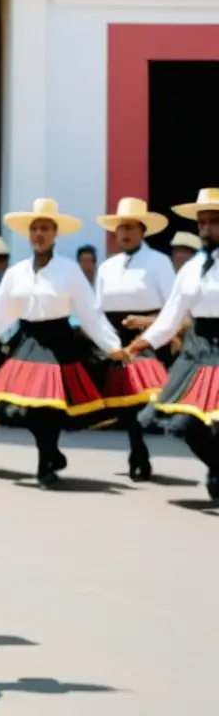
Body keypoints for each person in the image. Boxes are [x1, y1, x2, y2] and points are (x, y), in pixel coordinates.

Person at [0, 199, 127, 488]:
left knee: (48, 406)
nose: (39, 234)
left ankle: (45, 462)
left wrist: (111, 345)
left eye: (45, 228)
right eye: (34, 229)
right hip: (28, 342)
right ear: (28, 234)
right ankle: (51, 451)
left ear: (55, 233)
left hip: (58, 343)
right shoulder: (16, 272)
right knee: (14, 409)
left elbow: (89, 313)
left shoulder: (69, 270)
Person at [131, 188, 219, 497]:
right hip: (196, 350)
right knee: (181, 424)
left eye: (214, 221)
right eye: (203, 222)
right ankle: (217, 466)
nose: (207, 228)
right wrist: (142, 342)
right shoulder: (191, 269)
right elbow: (171, 315)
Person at [92, 198, 173, 480]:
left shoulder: (159, 262)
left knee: (146, 391)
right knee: (124, 398)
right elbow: (98, 309)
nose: (124, 233)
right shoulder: (106, 267)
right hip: (115, 335)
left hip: (146, 335)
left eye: (130, 227)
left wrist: (147, 326)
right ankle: (137, 449)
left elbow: (172, 307)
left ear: (142, 230)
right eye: (120, 228)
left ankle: (143, 444)